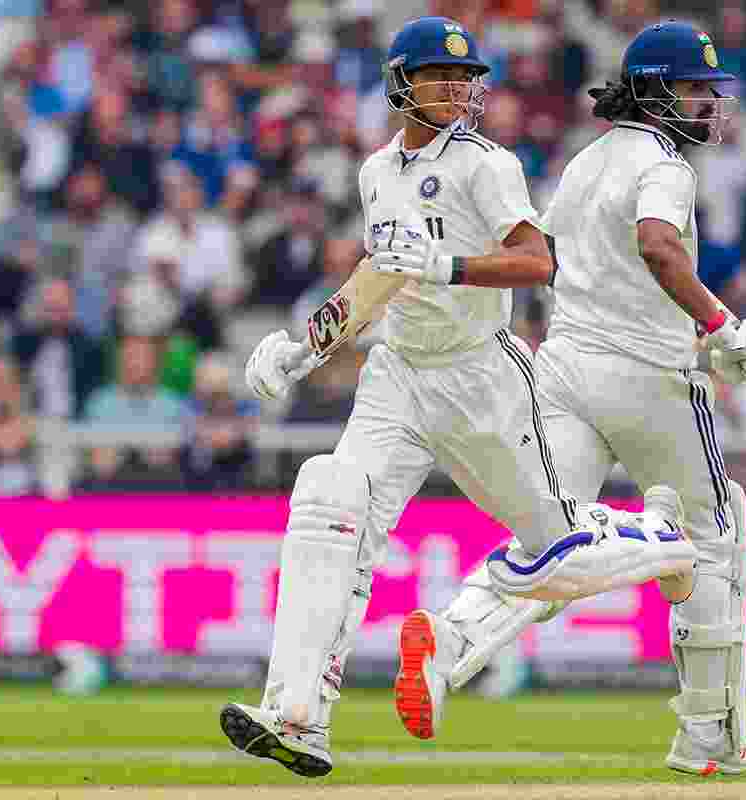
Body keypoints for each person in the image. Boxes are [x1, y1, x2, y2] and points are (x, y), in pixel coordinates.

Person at [220, 16, 696, 778]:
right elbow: (381, 274)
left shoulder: (486, 165)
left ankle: (662, 538)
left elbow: (538, 262)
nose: (456, 89)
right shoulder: (376, 173)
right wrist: (303, 347)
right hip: (398, 375)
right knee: (331, 499)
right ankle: (298, 716)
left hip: (483, 379)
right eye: (439, 75)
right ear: (400, 83)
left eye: (464, 76)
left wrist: (445, 264)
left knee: (553, 558)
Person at [393, 20, 746, 777]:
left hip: (564, 370)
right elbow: (657, 246)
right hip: (651, 380)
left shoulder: (584, 160)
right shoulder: (665, 165)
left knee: (550, 541)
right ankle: (708, 735)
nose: (707, 104)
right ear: (655, 92)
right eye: (694, 89)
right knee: (714, 537)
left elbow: (564, 263)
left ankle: (452, 640)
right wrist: (721, 326)